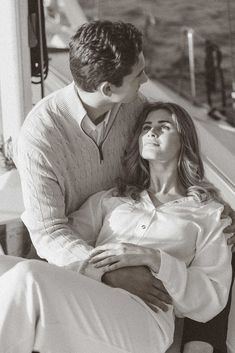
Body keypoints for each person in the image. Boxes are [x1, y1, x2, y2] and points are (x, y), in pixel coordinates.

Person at [15, 20, 235, 353]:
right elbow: (49, 232)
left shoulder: (205, 213)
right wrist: (107, 272)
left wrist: (156, 258)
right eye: (139, 75)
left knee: (27, 282)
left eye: (162, 127)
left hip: (144, 316)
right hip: (81, 270)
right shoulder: (49, 144)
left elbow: (208, 295)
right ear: (107, 89)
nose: (147, 80)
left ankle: (202, 345)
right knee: (23, 278)